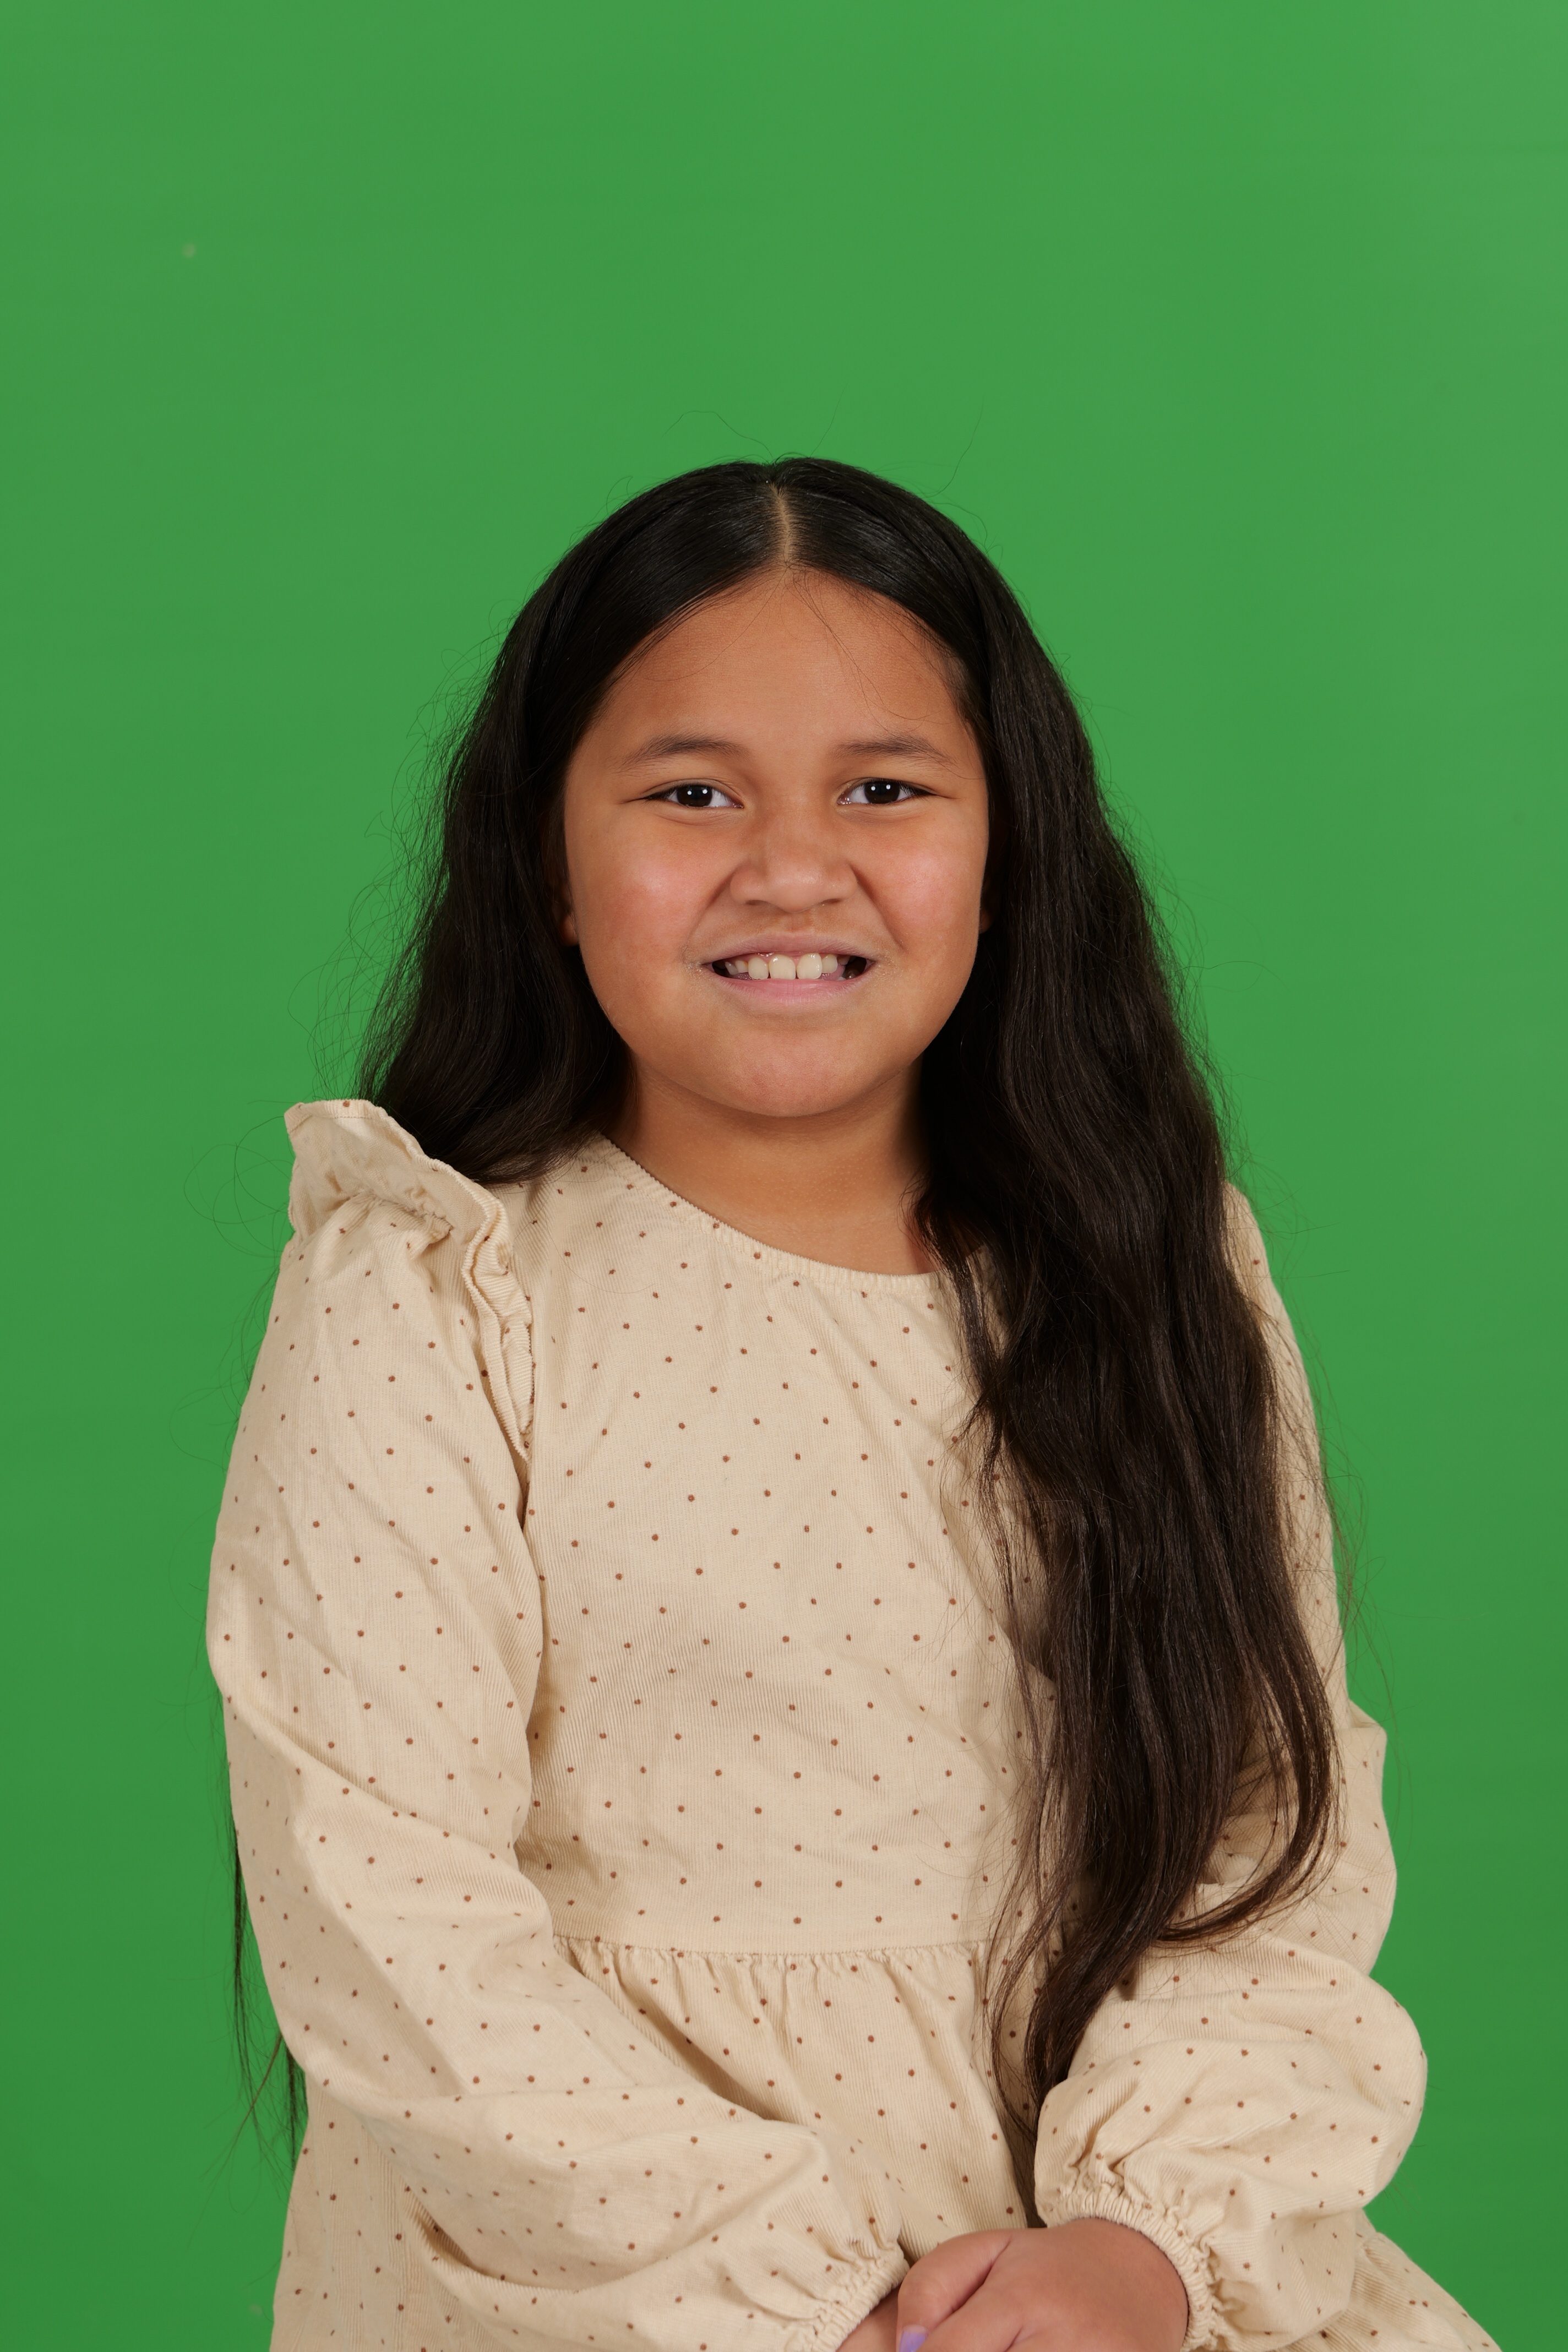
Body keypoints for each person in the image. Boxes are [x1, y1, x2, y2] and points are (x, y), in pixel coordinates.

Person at [209, 459, 1496, 2352]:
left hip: (1101, 2287)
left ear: (1007, 850)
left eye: (884, 790)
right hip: (624, 2295)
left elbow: (1259, 1825)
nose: (792, 867)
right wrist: (829, 2312)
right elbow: (384, 1910)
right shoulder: (429, 1288)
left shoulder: (1154, 1270)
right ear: (548, 861)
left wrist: (1145, 2249)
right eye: (691, 793)